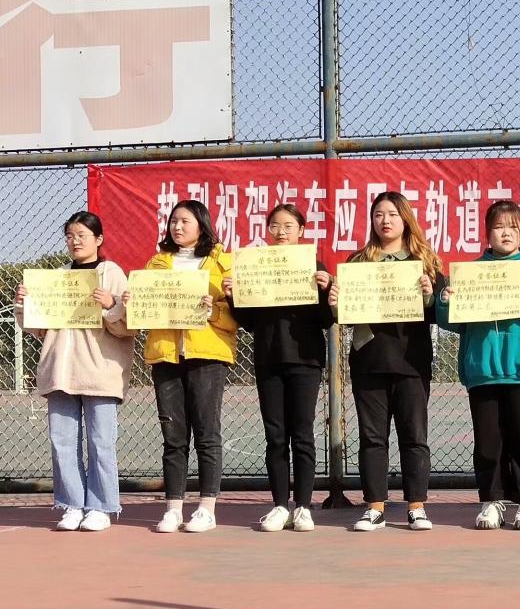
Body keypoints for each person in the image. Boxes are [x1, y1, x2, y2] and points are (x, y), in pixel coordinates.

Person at [436, 200, 520, 530]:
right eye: (498, 227)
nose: (505, 233)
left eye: (513, 227)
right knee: (488, 442)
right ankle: (491, 500)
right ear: (487, 233)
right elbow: (454, 322)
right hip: (484, 371)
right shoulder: (473, 272)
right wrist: (445, 302)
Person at [329, 191, 442, 532]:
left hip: (411, 361)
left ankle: (416, 507)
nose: (385, 220)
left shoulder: (425, 261)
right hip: (370, 360)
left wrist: (429, 295)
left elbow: (440, 311)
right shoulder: (358, 262)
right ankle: (374, 507)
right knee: (372, 437)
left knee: (414, 435)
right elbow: (345, 315)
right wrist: (335, 303)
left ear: (405, 218)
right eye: (378, 214)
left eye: (392, 214)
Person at [15, 212, 135, 531]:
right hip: (60, 371)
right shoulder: (58, 277)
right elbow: (39, 328)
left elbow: (129, 327)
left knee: (101, 442)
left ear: (99, 239)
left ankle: (101, 507)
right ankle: (71, 504)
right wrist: (25, 305)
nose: (75, 241)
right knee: (62, 441)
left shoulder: (111, 274)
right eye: (70, 235)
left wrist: (110, 305)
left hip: (99, 372)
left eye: (82, 235)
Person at [124, 199, 237, 534]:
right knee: (173, 436)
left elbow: (239, 316)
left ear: (202, 224)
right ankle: (173, 508)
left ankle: (206, 508)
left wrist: (214, 311)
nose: (177, 226)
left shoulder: (222, 262)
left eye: (185, 220)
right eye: (173, 221)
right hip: (167, 356)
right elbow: (142, 313)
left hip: (208, 355)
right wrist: (133, 303)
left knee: (206, 433)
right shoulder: (157, 263)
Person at [223, 204, 334, 533]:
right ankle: (279, 506)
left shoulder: (313, 267)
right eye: (274, 226)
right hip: (268, 359)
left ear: (302, 231)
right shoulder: (257, 266)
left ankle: (303, 506)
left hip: (305, 360)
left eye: (288, 226)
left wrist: (325, 291)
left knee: (302, 434)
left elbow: (327, 320)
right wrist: (232, 296)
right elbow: (249, 322)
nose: (281, 232)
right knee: (275, 436)